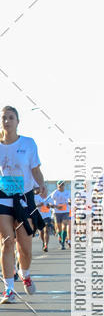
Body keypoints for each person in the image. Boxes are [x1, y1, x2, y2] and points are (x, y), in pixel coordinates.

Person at [0, 105, 47, 301]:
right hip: (3, 196)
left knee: (25, 247)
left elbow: (35, 169)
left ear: (17, 122)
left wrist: (42, 184)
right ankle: (9, 289)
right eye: (3, 118)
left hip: (25, 198)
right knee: (7, 242)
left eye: (11, 117)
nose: (7, 121)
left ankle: (25, 274)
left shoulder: (28, 144)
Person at [51, 180, 71, 249]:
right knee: (59, 228)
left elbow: (70, 200)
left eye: (62, 185)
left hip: (65, 211)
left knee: (64, 226)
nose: (61, 186)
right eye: (60, 185)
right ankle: (60, 238)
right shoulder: (54, 193)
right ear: (57, 186)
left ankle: (62, 242)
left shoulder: (68, 192)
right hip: (57, 212)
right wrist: (56, 206)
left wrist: (69, 202)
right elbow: (50, 204)